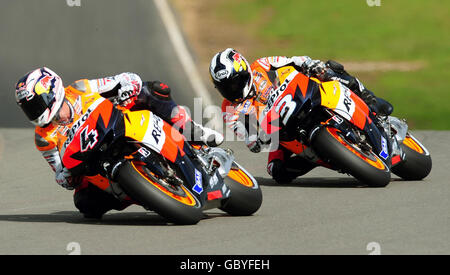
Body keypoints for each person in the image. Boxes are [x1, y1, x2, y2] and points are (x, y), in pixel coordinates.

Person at [15, 67, 223, 218]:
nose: (34, 111)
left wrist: (127, 87)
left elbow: (124, 79)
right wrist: (66, 177)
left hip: (119, 125)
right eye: (28, 108)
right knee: (84, 204)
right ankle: (143, 193)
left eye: (35, 104)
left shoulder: (80, 88)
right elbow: (59, 172)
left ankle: (191, 130)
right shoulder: (43, 137)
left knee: (152, 89)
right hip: (94, 163)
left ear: (52, 91)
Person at [209, 48, 392, 184]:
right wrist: (255, 141)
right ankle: (324, 155)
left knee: (327, 69)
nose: (232, 90)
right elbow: (246, 134)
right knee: (276, 171)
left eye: (235, 82)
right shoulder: (229, 109)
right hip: (282, 132)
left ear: (246, 71)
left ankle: (369, 98)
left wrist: (308, 64)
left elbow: (294, 61)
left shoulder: (261, 65)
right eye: (226, 87)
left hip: (303, 96)